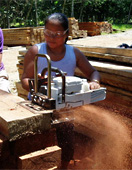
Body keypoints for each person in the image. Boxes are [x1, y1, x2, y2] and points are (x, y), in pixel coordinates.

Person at [21, 13, 101, 169]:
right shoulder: (36, 52)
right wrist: (36, 84)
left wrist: (94, 82)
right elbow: (24, 80)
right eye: (47, 33)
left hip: (65, 109)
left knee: (67, 144)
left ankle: (64, 166)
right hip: (38, 107)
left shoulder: (73, 54)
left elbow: (93, 72)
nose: (51, 37)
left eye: (57, 34)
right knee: (38, 145)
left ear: (66, 35)